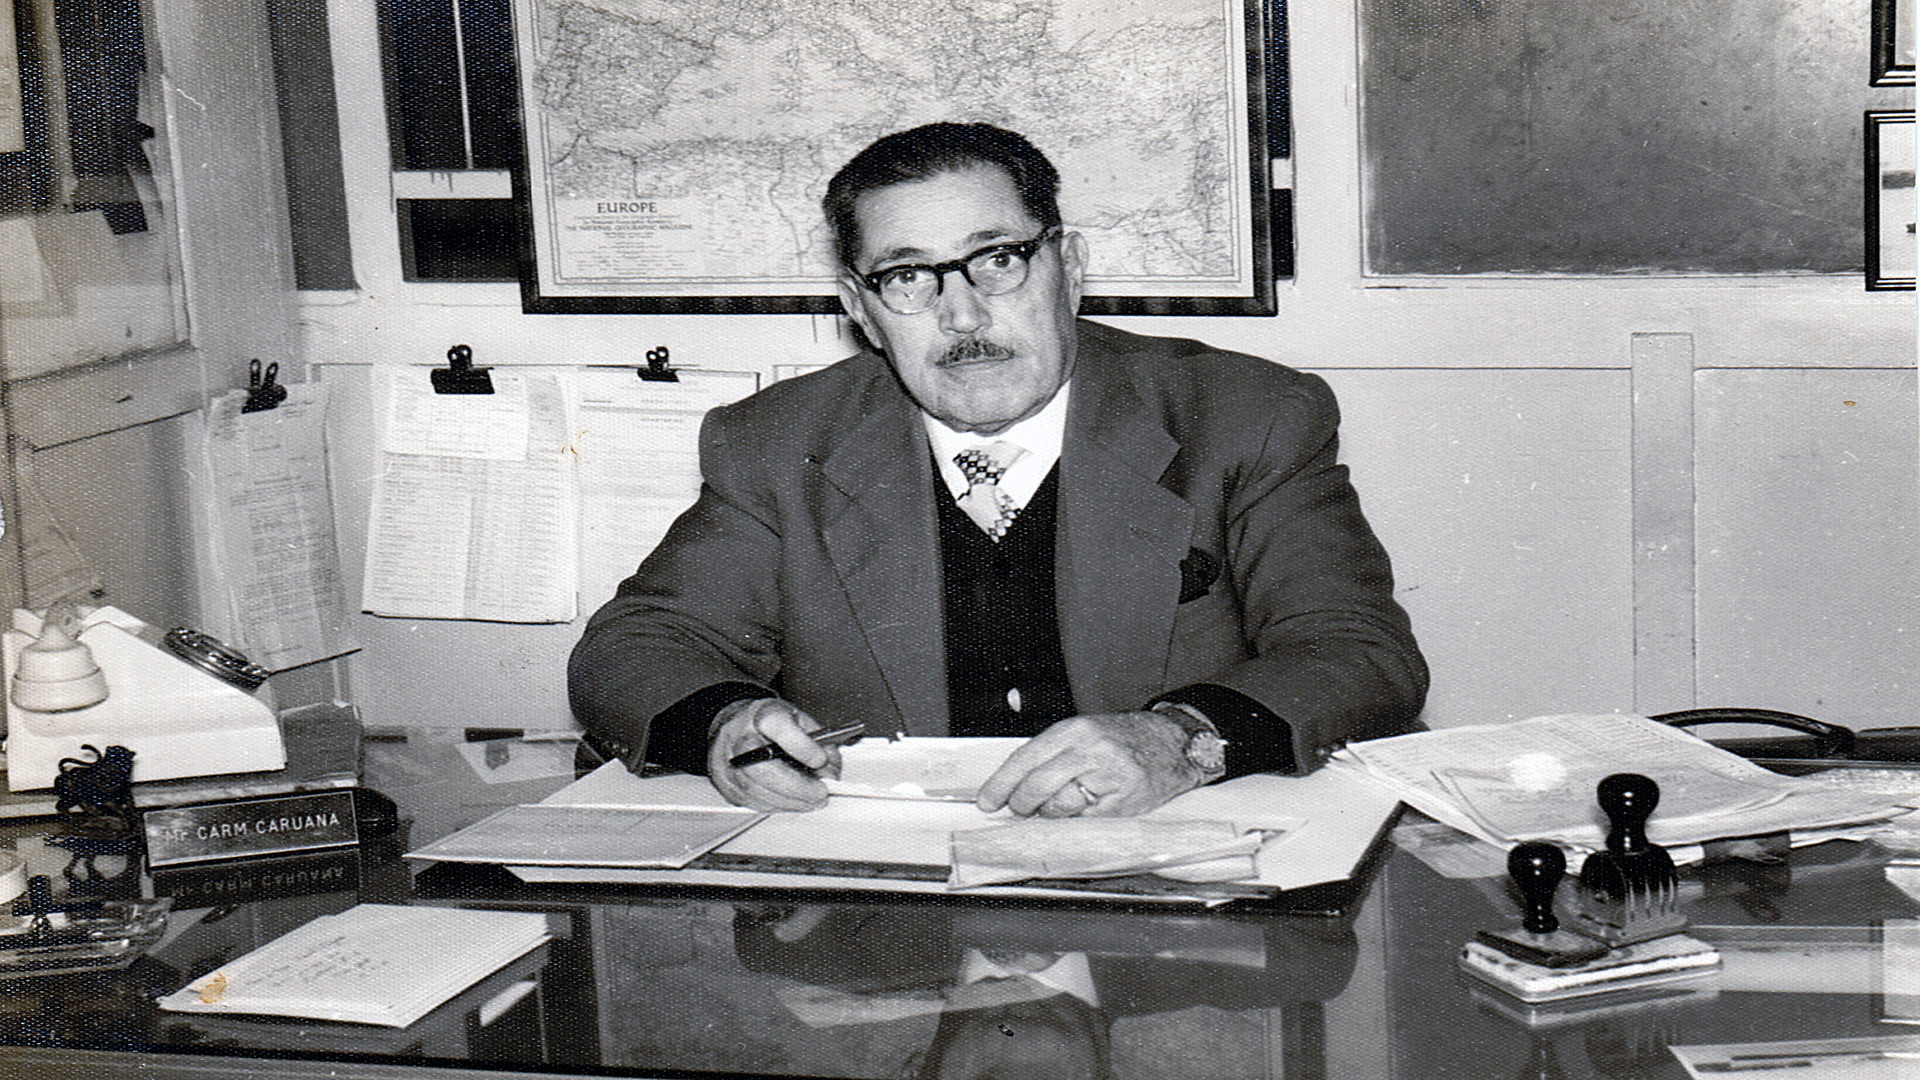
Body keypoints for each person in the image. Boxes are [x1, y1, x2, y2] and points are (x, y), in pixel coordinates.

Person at [569, 122, 1426, 817]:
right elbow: (635, 647)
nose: (963, 313)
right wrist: (726, 722)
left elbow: (1357, 652)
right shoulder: (776, 443)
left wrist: (1179, 739)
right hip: (900, 911)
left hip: (1170, 907)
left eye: (998, 260)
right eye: (909, 277)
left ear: (1070, 267)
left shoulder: (1245, 415)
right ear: (861, 310)